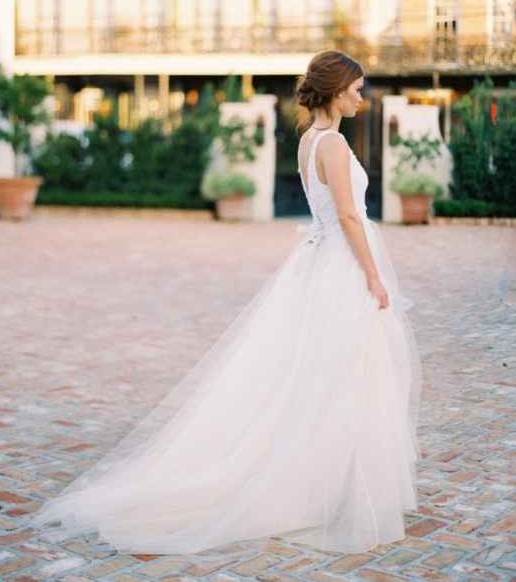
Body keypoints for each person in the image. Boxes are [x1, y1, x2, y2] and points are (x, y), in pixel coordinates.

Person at [25, 49, 422, 556]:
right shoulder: (336, 145)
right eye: (358, 89)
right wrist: (374, 276)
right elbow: (347, 216)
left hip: (317, 263)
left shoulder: (308, 141)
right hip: (343, 266)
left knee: (317, 375)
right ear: (337, 90)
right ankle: (336, 486)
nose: (362, 98)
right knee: (351, 373)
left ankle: (326, 478)